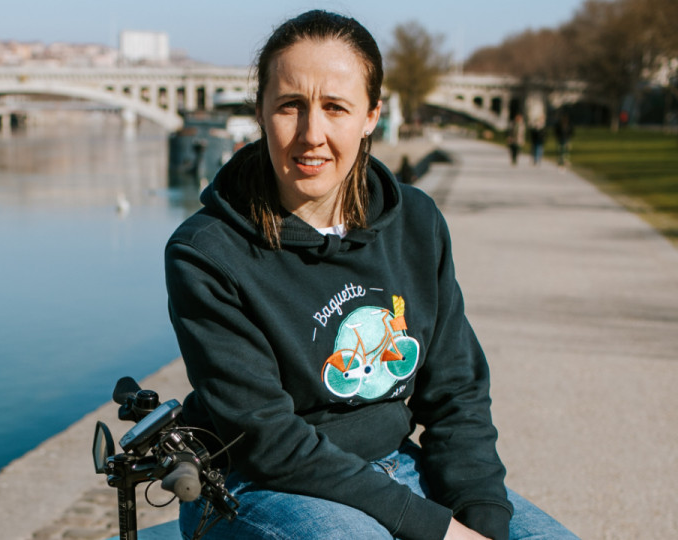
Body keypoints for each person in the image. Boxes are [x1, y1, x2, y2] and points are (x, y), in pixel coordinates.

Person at [164, 10, 578, 540]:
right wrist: (437, 530)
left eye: (336, 107)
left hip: (395, 464)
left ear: (370, 116)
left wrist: (482, 516)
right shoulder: (206, 252)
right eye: (291, 106)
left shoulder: (416, 222)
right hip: (254, 484)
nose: (312, 135)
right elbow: (267, 441)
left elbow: (457, 393)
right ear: (261, 113)